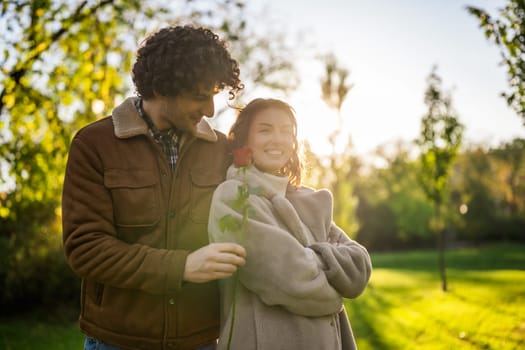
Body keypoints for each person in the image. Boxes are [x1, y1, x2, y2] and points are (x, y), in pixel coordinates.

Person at [62, 25, 247, 350]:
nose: (209, 110)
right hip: (117, 340)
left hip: (201, 339)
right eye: (199, 96)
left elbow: (264, 202)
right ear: (162, 88)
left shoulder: (221, 150)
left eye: (213, 96)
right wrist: (182, 267)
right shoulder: (94, 144)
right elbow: (85, 248)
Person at [208, 98, 373, 350]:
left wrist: (314, 257)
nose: (278, 139)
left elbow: (359, 267)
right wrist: (331, 268)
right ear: (244, 140)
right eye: (265, 130)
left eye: (287, 131)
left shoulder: (310, 200)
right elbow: (295, 281)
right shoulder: (233, 198)